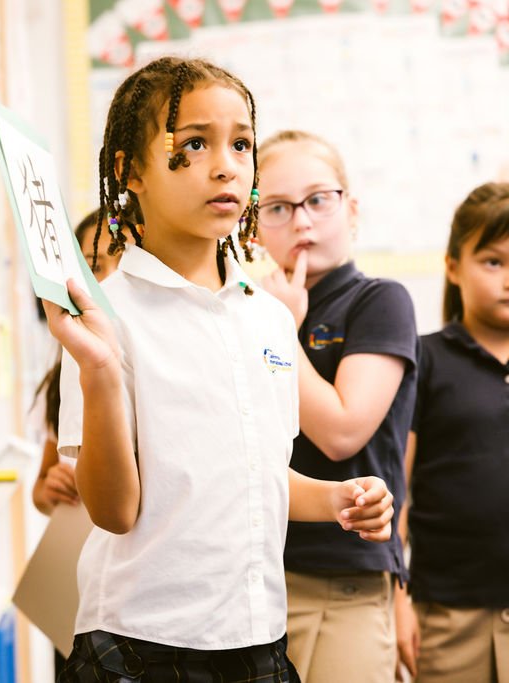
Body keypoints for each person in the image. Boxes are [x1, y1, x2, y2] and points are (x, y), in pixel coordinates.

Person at [43, 56, 395, 683]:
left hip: (257, 638)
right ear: (129, 172)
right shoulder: (108, 315)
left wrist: (338, 498)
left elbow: (260, 479)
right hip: (139, 642)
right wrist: (98, 372)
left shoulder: (265, 317)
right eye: (195, 142)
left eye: (240, 144)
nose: (225, 164)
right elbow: (114, 512)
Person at [255, 130, 418, 682]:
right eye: (278, 207)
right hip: (252, 575)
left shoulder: (379, 301)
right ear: (252, 224)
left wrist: (283, 329)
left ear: (351, 209)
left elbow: (343, 430)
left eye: (318, 199)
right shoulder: (246, 307)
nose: (301, 222)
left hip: (342, 577)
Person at [394, 182, 509, 683]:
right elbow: (394, 491)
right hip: (447, 619)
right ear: (453, 266)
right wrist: (398, 603)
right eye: (493, 261)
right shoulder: (423, 359)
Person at [32, 209, 127, 515]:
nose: (109, 280)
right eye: (94, 267)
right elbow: (40, 492)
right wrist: (49, 489)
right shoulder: (63, 378)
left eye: (125, 262)